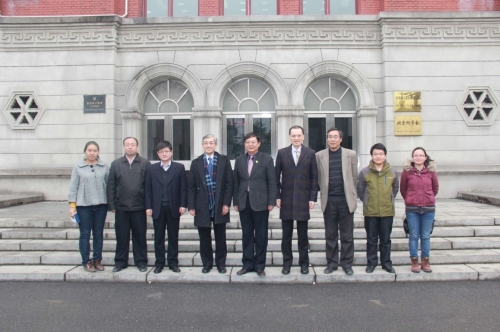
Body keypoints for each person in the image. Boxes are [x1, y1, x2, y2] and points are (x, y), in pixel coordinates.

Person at [275, 125, 318, 275]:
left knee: (302, 236)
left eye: (299, 135)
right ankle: (287, 263)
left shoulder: (311, 153)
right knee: (286, 236)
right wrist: (277, 196)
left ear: (303, 137)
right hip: (286, 200)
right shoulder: (282, 153)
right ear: (289, 137)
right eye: (293, 135)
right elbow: (276, 177)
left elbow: (314, 178)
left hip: (303, 200)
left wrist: (312, 198)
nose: (296, 138)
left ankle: (304, 263)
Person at [233, 132, 277, 276]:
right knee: (247, 235)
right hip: (244, 202)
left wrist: (271, 201)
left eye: (253, 142)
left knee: (261, 235)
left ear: (258, 144)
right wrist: (235, 201)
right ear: (244, 144)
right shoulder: (239, 160)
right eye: (247, 142)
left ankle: (259, 265)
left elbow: (272, 182)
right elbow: (236, 182)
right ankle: (247, 264)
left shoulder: (267, 159)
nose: (250, 144)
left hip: (261, 203)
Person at [188, 134, 233, 274]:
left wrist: (226, 203)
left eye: (211, 143)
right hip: (202, 205)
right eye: (206, 143)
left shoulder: (224, 161)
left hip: (220, 205)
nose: (208, 145)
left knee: (221, 237)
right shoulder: (196, 163)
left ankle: (221, 264)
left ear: (215, 145)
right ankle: (207, 264)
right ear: (202, 145)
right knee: (204, 237)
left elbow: (229, 184)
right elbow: (191, 186)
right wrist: (191, 206)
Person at [316, 127, 358, 275]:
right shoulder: (319, 155)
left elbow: (354, 177)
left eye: (335, 137)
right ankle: (332, 263)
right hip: (329, 201)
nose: (332, 139)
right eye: (329, 137)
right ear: (327, 139)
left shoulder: (350, 154)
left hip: (345, 200)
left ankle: (347, 264)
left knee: (347, 235)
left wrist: (353, 195)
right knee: (330, 234)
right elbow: (319, 178)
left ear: (341, 139)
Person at [107, 137, 150, 272]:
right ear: (124, 147)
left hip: (139, 207)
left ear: (137, 147)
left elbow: (149, 186)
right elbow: (111, 185)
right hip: (121, 207)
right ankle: (120, 262)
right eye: (127, 145)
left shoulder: (145, 163)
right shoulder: (116, 164)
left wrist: (148, 205)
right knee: (122, 236)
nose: (130, 147)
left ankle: (141, 261)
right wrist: (112, 205)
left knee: (140, 236)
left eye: (132, 145)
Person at [145, 141, 187, 274]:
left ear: (171, 152)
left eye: (166, 151)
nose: (164, 154)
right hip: (157, 208)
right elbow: (148, 189)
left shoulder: (179, 168)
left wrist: (183, 204)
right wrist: (148, 206)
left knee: (173, 236)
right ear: (157, 154)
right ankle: (159, 263)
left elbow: (183, 188)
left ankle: (173, 263)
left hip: (173, 207)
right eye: (161, 152)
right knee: (159, 237)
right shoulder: (152, 169)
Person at [357, 143, 399, 274]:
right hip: (370, 211)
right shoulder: (365, 172)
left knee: (386, 239)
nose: (378, 156)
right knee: (371, 239)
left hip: (387, 211)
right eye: (375, 154)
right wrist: (369, 201)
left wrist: (388, 200)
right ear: (371, 155)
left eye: (381, 154)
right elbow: (360, 190)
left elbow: (395, 189)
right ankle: (371, 263)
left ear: (385, 155)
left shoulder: (392, 172)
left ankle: (386, 263)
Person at [68, 141, 108, 273]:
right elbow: (73, 187)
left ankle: (97, 259)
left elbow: (108, 185)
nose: (92, 153)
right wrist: (72, 206)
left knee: (98, 234)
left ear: (98, 152)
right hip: (84, 205)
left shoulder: (103, 166)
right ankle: (86, 261)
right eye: (89, 150)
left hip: (101, 205)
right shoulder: (78, 167)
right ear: (85, 151)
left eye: (94, 150)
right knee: (85, 234)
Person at [400, 147, 439, 273]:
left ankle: (425, 261)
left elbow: (435, 188)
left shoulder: (431, 172)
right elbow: (403, 189)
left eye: (421, 155)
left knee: (426, 236)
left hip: (428, 208)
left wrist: (428, 197)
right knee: (413, 235)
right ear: (412, 157)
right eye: (416, 155)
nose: (418, 157)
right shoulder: (407, 172)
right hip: (412, 208)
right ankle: (414, 261)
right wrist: (411, 198)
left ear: (425, 157)